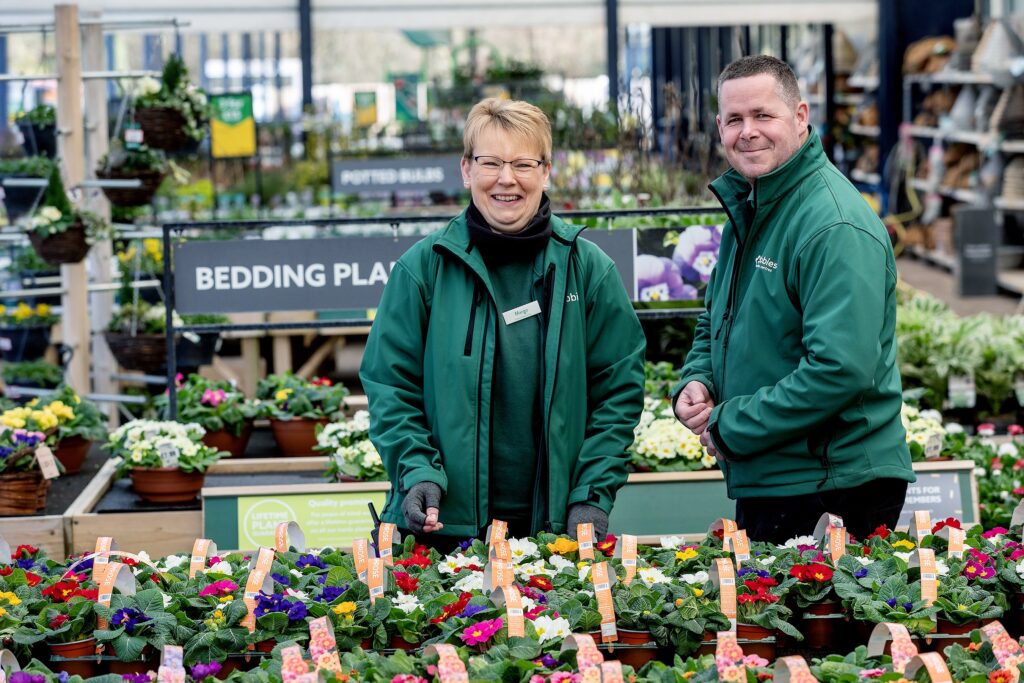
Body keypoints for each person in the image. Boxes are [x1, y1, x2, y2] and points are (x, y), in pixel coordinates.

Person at [361, 98, 645, 548]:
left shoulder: (586, 269)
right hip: (443, 528)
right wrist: (416, 471)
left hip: (552, 529)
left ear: (546, 171)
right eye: (490, 162)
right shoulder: (424, 268)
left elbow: (619, 391)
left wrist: (592, 492)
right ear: (466, 169)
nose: (506, 179)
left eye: (523, 164)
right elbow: (389, 386)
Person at [674, 55, 914, 544]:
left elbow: (839, 369)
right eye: (735, 119)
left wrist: (730, 425)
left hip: (834, 486)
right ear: (719, 126)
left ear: (800, 117)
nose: (748, 132)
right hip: (782, 474)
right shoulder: (754, 205)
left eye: (764, 116)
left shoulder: (832, 225)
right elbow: (716, 318)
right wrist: (697, 379)